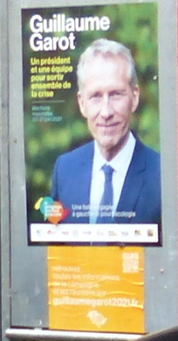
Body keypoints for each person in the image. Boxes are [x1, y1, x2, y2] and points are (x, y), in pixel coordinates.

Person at [46, 37, 161, 230]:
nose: (106, 112)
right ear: (82, 103)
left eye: (116, 94)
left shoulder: (161, 174)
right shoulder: (65, 170)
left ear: (135, 97)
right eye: (96, 96)